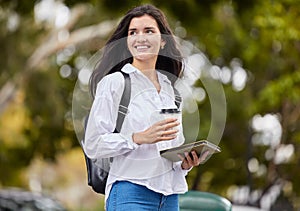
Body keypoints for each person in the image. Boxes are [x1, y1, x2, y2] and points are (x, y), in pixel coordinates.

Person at [83, 4, 207, 211]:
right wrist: (137, 137)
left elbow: (172, 149)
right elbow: (93, 144)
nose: (140, 37)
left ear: (163, 40)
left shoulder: (172, 93)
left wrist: (184, 164)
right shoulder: (115, 83)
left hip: (170, 197)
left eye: (149, 31)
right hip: (130, 192)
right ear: (127, 41)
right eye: (133, 32)